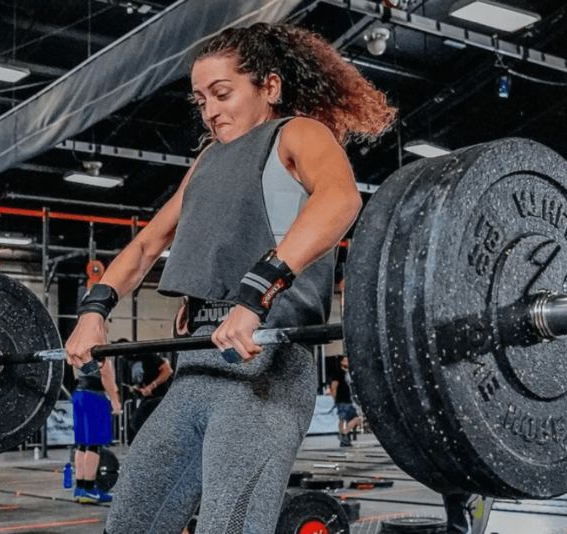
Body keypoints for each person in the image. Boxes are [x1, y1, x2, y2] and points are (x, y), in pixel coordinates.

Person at [65, 22, 393, 534]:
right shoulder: (205, 163)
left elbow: (340, 198)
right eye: (201, 101)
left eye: (222, 93)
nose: (211, 111)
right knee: (130, 522)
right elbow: (148, 244)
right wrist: (94, 310)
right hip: (196, 367)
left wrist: (256, 289)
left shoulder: (298, 132)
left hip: (265, 361)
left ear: (269, 87)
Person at [71, 356, 121, 504]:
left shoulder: (78, 346)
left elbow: (75, 372)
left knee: (81, 444)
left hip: (79, 394)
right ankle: (89, 488)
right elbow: (106, 375)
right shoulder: (100, 346)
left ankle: (80, 488)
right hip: (94, 397)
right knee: (94, 444)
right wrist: (115, 400)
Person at [126, 353, 173, 444]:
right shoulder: (131, 362)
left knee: (141, 423)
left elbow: (168, 370)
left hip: (160, 396)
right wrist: (137, 387)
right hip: (148, 398)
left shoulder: (149, 356)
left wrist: (152, 386)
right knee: (136, 423)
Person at [330, 355, 360, 447]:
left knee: (355, 419)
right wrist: (335, 399)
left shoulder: (348, 373)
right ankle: (344, 438)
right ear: (341, 362)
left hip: (349, 400)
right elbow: (333, 386)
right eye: (345, 361)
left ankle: (344, 433)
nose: (347, 363)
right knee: (342, 419)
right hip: (342, 400)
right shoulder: (338, 373)